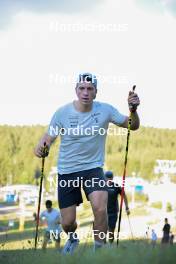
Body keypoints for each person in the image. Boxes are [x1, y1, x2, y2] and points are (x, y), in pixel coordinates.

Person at [34, 72, 140, 253]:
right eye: (82, 88)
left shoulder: (105, 110)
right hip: (67, 171)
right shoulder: (62, 113)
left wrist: (133, 110)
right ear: (76, 90)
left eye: (90, 89)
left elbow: (132, 125)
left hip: (93, 168)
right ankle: (73, 238)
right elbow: (48, 137)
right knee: (67, 223)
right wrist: (41, 147)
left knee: (100, 207)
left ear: (96, 92)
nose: (85, 92)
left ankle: (99, 250)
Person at [105, 171, 130, 244]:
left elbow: (124, 195)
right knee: (103, 231)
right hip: (103, 212)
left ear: (112, 178)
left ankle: (110, 244)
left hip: (113, 212)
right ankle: (102, 246)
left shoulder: (116, 186)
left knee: (111, 231)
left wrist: (127, 207)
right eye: (107, 178)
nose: (109, 180)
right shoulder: (101, 186)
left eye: (110, 178)